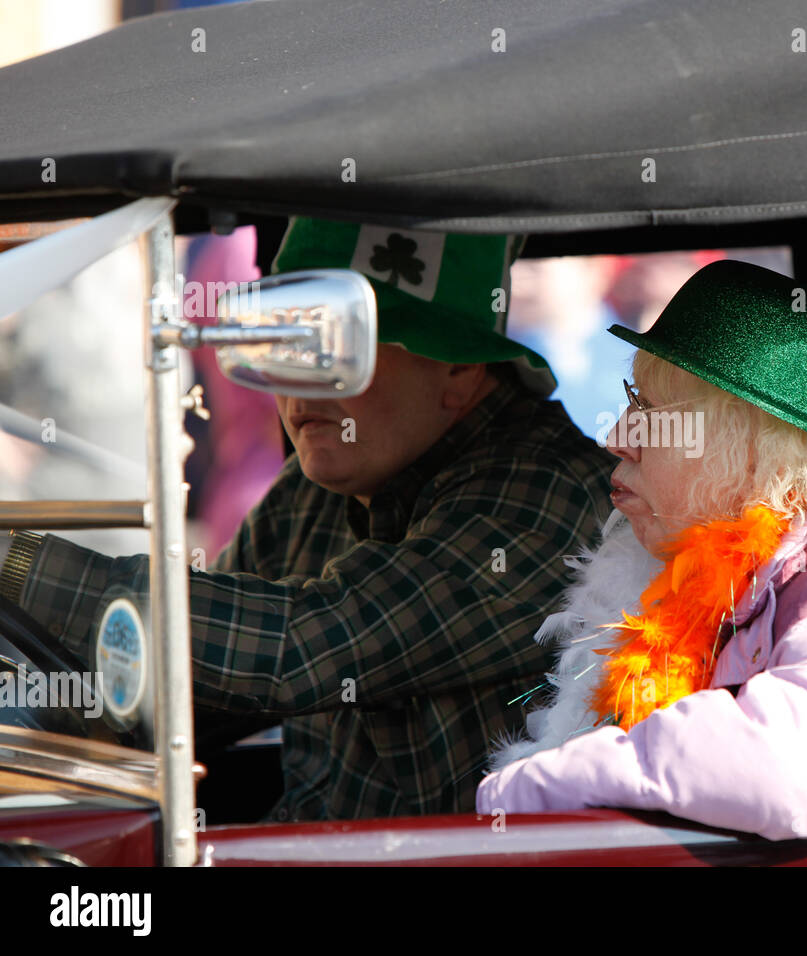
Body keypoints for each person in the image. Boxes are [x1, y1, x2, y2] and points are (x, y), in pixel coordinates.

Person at [0, 217, 613, 820]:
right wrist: (31, 712)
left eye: (335, 351)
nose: (297, 383)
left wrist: (15, 564)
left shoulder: (542, 493)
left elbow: (305, 645)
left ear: (457, 367)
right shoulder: (325, 486)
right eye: (283, 344)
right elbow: (181, 686)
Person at [478, 260, 807, 841]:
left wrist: (527, 789)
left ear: (749, 449)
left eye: (649, 411)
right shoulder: (684, 571)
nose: (616, 437)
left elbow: (796, 764)